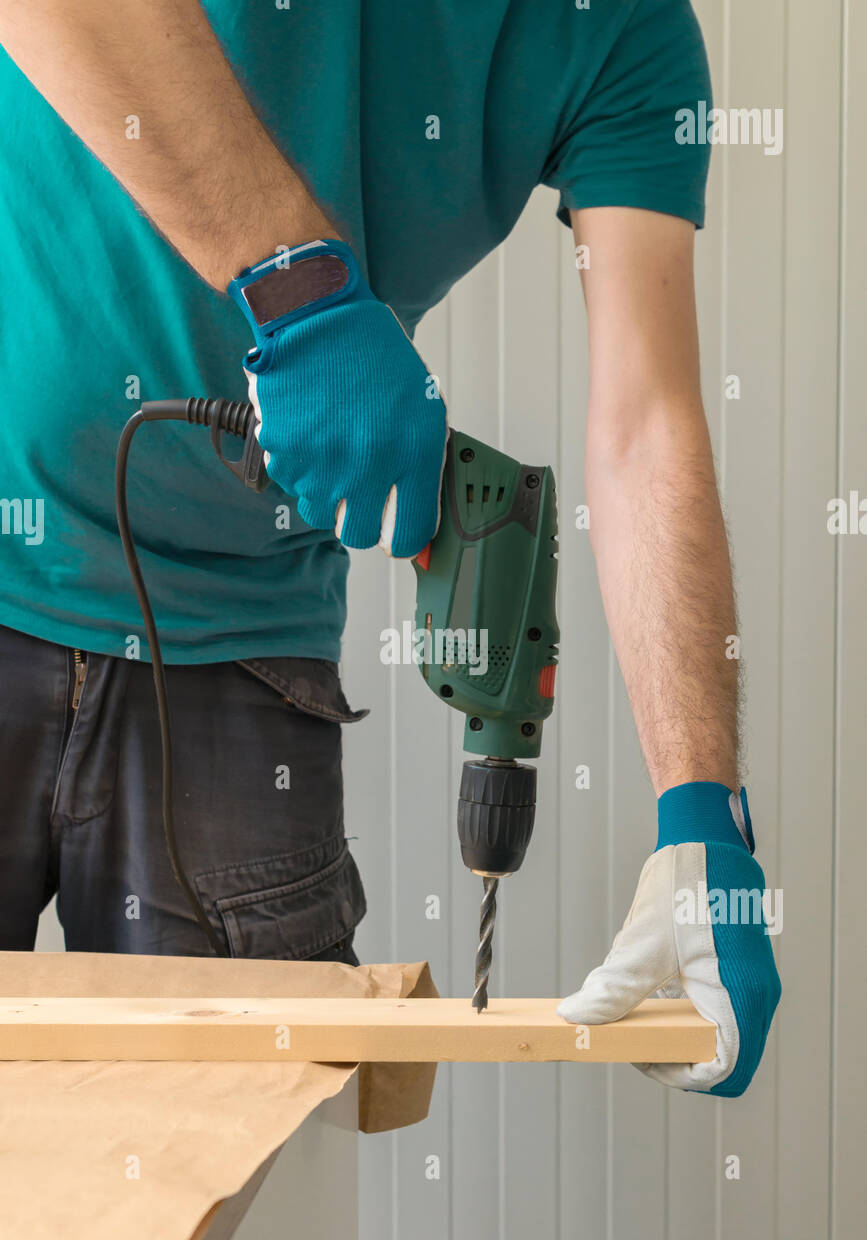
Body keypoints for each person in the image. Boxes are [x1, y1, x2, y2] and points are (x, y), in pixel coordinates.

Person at [0, 0, 779, 1095]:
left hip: (241, 637)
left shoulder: (629, 35)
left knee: (233, 1163)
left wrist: (706, 812)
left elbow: (645, 419)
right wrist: (301, 287)